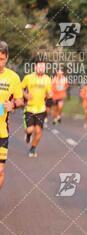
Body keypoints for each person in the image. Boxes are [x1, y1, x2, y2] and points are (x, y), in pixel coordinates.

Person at [0, 41, 24, 191]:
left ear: (7, 58)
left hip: (1, 132)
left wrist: (13, 105)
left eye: (1, 59)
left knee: (0, 171)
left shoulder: (13, 78)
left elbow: (20, 100)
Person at [21, 59, 52, 158]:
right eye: (39, 66)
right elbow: (20, 88)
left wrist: (49, 95)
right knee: (30, 129)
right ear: (35, 67)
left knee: (38, 131)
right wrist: (26, 95)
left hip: (41, 109)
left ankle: (33, 148)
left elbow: (49, 93)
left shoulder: (47, 79)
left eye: (43, 67)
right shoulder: (28, 77)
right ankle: (28, 135)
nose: (41, 69)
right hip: (29, 109)